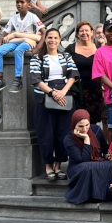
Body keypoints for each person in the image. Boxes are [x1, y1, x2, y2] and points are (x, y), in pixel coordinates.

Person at [30, 28, 79, 180]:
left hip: (65, 99)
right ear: (45, 39)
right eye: (49, 37)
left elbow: (73, 74)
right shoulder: (37, 58)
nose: (52, 40)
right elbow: (36, 79)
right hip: (45, 99)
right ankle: (48, 166)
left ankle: (58, 166)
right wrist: (52, 92)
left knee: (63, 134)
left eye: (55, 38)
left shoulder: (66, 56)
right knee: (46, 135)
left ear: (59, 40)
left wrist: (62, 92)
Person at [0, 0, 46, 94]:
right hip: (17, 41)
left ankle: (18, 79)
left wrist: (37, 48)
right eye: (17, 2)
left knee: (18, 51)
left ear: (29, 4)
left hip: (28, 43)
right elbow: (3, 35)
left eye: (22, 2)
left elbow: (44, 33)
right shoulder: (14, 18)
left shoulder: (33, 17)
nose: (19, 4)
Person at [63, 109, 112, 204]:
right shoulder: (69, 139)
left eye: (87, 125)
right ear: (74, 125)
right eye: (80, 126)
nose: (84, 129)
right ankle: (87, 196)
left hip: (97, 162)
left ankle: (104, 195)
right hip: (78, 167)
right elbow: (83, 160)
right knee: (88, 167)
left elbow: (105, 149)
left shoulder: (96, 130)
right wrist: (86, 139)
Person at [65, 21, 103, 124]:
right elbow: (65, 68)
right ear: (77, 34)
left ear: (92, 33)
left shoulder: (99, 49)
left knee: (93, 121)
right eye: (81, 31)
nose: (84, 33)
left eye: (87, 30)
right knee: (78, 120)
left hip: (95, 90)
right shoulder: (70, 49)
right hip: (77, 90)